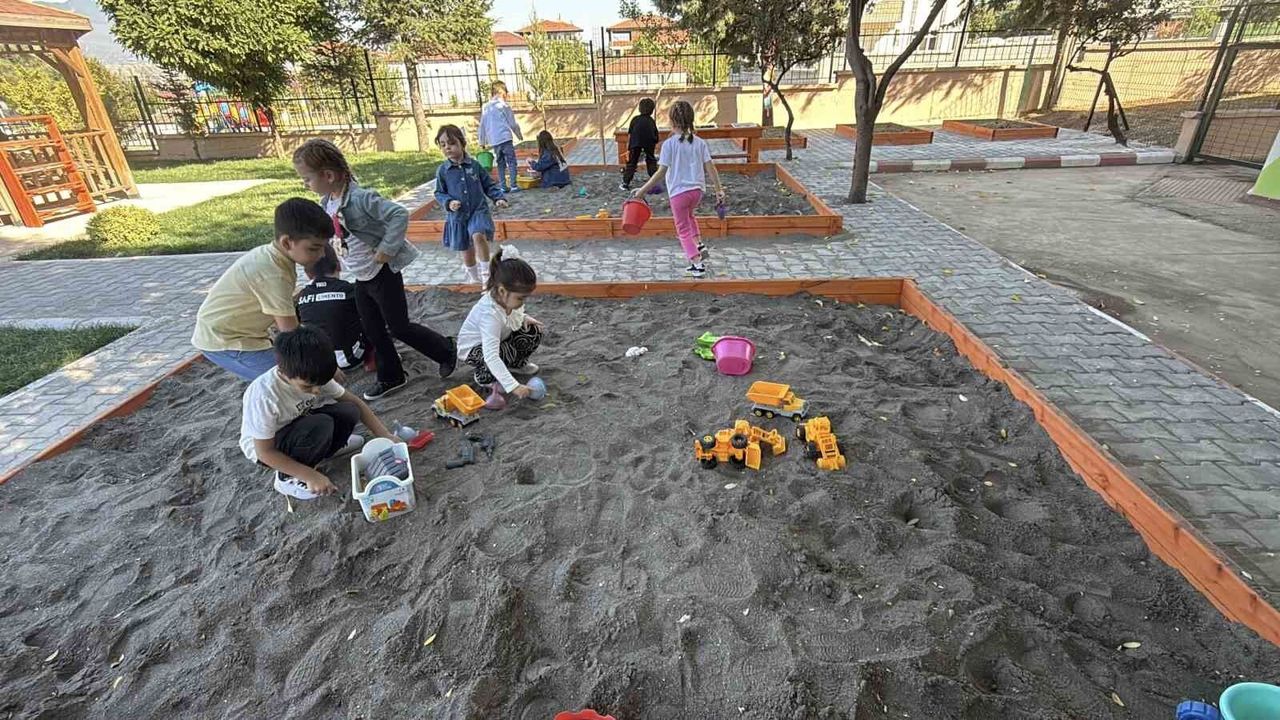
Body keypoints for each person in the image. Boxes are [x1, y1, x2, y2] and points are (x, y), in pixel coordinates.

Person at [293, 138, 457, 401]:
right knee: (372, 328)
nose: (305, 184)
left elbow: (398, 215)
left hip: (382, 273)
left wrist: (387, 249)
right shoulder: (328, 202)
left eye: (307, 179)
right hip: (362, 276)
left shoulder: (360, 198)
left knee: (399, 326)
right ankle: (392, 375)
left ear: (328, 175)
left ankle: (445, 350)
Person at [239, 325, 396, 500]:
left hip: (297, 425)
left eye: (320, 384)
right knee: (321, 424)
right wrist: (309, 475)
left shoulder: (313, 373)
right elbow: (264, 452)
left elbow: (354, 402)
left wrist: (384, 435)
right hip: (267, 448)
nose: (316, 391)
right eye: (308, 387)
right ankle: (286, 478)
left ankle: (326, 450)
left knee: (349, 411)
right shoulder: (265, 396)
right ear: (283, 372)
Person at [192, 198, 330, 381]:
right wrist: (324, 364)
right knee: (292, 379)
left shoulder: (275, 257)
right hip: (225, 340)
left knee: (300, 375)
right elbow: (290, 334)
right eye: (314, 248)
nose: (322, 254)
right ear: (287, 243)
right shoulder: (273, 274)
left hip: (239, 332)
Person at [633, 100, 725, 278]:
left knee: (682, 230)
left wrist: (642, 191)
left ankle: (697, 263)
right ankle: (699, 244)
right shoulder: (699, 143)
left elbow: (661, 172)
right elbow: (710, 167)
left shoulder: (669, 145)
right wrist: (718, 189)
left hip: (679, 194)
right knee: (690, 216)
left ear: (672, 121)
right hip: (697, 192)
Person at [456, 246, 542, 399]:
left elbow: (511, 315)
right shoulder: (489, 314)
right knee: (503, 352)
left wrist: (523, 318)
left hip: (498, 340)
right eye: (520, 298)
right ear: (502, 291)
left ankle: (516, 365)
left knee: (532, 331)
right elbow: (491, 356)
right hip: (475, 350)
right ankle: (485, 378)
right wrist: (513, 386)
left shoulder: (505, 300)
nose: (523, 302)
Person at [434, 124, 510, 285]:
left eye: (452, 143)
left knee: (478, 235)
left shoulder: (474, 166)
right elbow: (439, 192)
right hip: (458, 216)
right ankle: (473, 277)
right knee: (466, 248)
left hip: (478, 210)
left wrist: (498, 198)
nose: (447, 147)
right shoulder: (443, 171)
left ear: (462, 143)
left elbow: (489, 184)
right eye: (443, 144)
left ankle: (486, 276)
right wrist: (448, 202)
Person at [295, 244, 368, 370]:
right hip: (350, 358)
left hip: (318, 361)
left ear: (307, 273)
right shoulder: (349, 289)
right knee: (370, 317)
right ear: (339, 266)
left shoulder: (302, 295)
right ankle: (375, 357)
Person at [478, 80, 524, 194]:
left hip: (494, 141)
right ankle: (513, 185)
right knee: (511, 161)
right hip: (505, 138)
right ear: (502, 92)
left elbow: (482, 125)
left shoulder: (485, 107)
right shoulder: (504, 105)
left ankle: (503, 186)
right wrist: (519, 135)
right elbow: (513, 123)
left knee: (500, 163)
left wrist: (482, 141)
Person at [620, 97, 659, 191]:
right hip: (649, 143)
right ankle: (655, 182)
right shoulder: (651, 121)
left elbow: (630, 134)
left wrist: (629, 147)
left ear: (640, 108)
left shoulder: (635, 119)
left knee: (632, 163)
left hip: (635, 143)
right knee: (651, 161)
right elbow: (655, 135)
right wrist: (655, 143)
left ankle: (625, 183)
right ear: (652, 110)